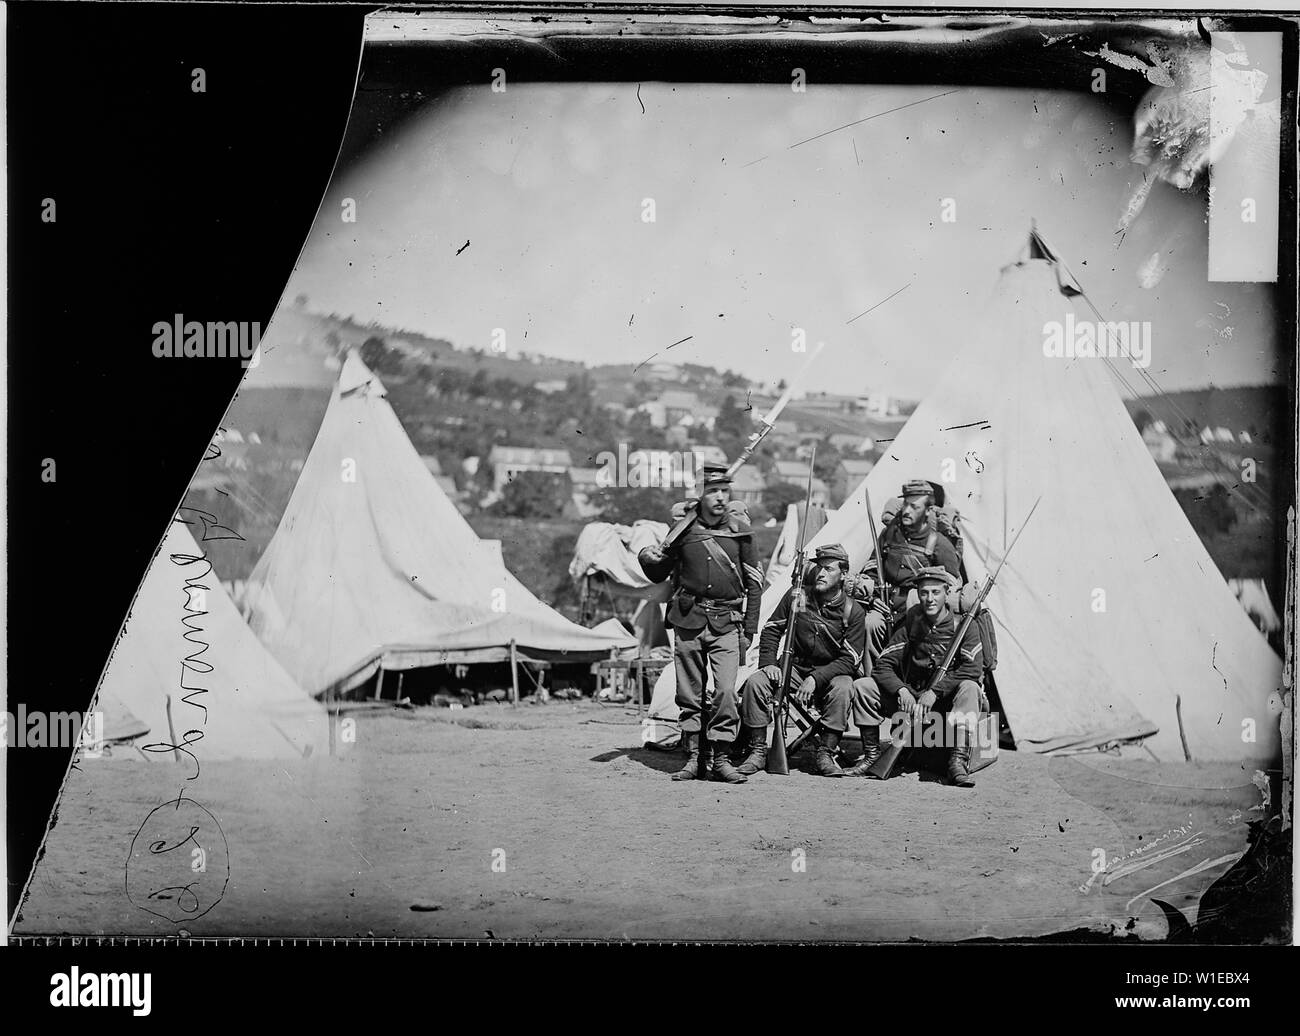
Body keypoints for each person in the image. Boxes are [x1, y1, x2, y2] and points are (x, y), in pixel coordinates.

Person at [637, 463, 762, 783]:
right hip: (688, 620)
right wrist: (649, 552)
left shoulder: (742, 532)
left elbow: (754, 585)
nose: (720, 498)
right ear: (699, 495)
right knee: (689, 694)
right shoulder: (683, 531)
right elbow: (657, 571)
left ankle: (721, 759)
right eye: (712, 491)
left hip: (727, 624)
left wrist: (748, 631)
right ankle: (694, 759)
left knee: (724, 693)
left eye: (725, 491)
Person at [735, 543, 868, 778]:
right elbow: (772, 630)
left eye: (829, 569)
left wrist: (816, 679)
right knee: (756, 682)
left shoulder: (852, 611)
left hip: (832, 673)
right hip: (794, 667)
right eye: (819, 568)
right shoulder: (800, 596)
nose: (821, 573)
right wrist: (769, 663)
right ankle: (757, 750)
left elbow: (850, 659)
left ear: (843, 574)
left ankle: (826, 751)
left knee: (844, 688)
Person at [847, 566, 983, 786]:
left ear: (947, 592)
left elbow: (972, 669)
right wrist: (902, 690)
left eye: (935, 592)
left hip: (946, 703)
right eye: (924, 592)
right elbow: (882, 666)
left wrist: (935, 693)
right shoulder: (911, 621)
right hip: (912, 703)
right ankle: (872, 755)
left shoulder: (965, 625)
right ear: (917, 594)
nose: (929, 599)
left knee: (970, 688)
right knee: (864, 685)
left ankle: (958, 762)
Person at [857, 479, 964, 655]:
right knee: (871, 623)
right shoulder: (889, 534)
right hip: (886, 602)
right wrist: (874, 598)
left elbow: (950, 584)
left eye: (914, 507)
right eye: (906, 504)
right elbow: (873, 567)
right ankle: (874, 677)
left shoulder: (940, 543)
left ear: (929, 510)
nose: (907, 510)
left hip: (918, 608)